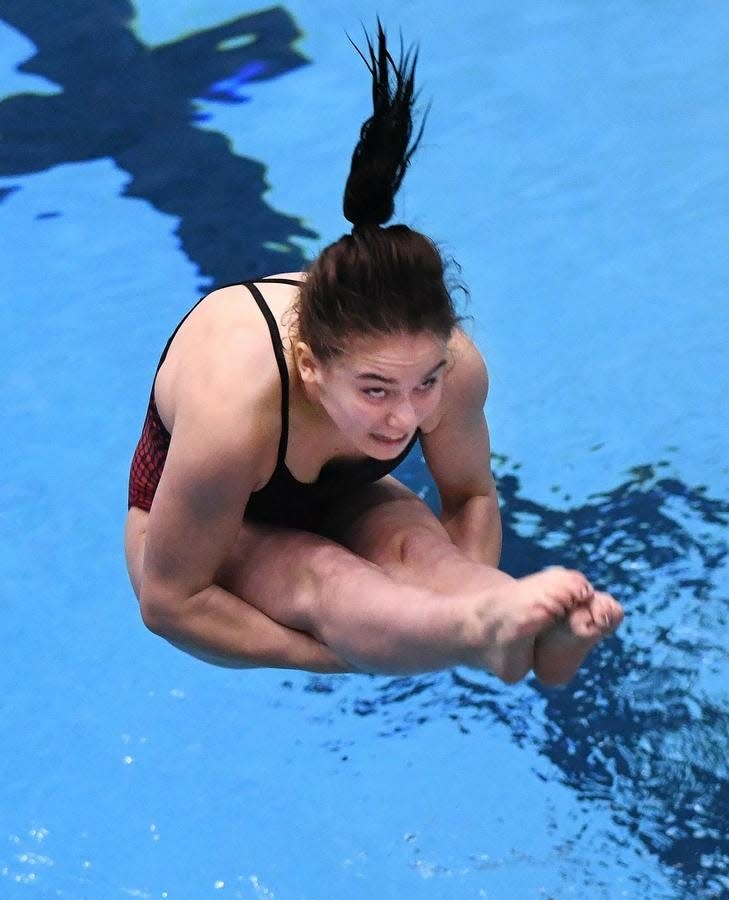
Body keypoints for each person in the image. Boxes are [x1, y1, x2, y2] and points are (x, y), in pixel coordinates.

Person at [124, 24, 623, 684]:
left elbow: (470, 497)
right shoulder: (236, 401)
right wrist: (343, 659)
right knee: (321, 576)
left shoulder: (456, 368)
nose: (405, 418)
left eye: (425, 383)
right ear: (309, 366)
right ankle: (475, 635)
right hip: (185, 535)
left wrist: (479, 591)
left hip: (335, 498)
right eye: (376, 389)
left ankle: (503, 634)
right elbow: (170, 603)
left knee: (422, 554)